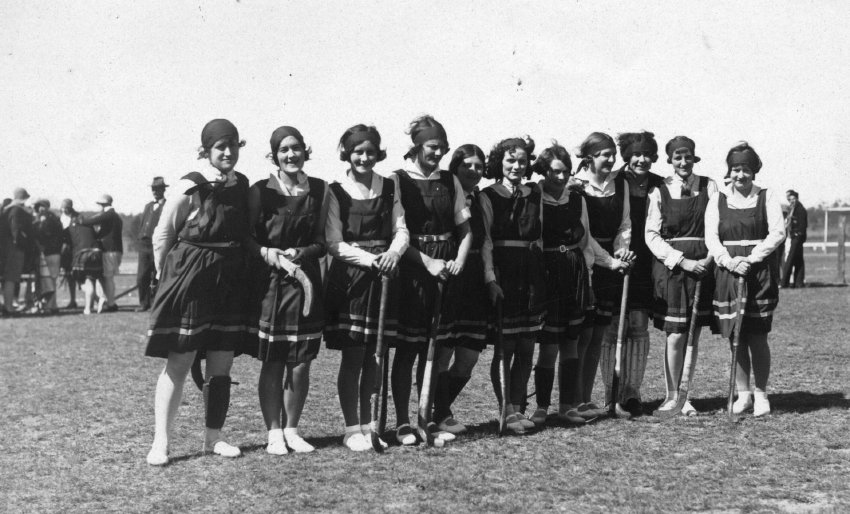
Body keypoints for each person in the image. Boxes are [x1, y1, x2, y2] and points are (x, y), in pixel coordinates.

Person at [145, 119, 266, 465]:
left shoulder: (241, 185)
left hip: (230, 279)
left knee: (221, 363)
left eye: (232, 145)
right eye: (219, 147)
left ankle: (214, 437)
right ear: (207, 151)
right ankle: (161, 442)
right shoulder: (190, 185)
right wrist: (165, 277)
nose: (227, 152)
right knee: (180, 360)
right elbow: (163, 236)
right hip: (191, 278)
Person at [242, 126, 328, 456]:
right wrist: (270, 254)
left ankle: (292, 429)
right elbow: (248, 238)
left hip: (306, 284)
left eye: (296, 148)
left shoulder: (320, 189)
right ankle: (273, 433)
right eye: (283, 150)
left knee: (301, 362)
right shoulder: (259, 190)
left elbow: (322, 241)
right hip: (270, 284)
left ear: (306, 151)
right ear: (274, 155)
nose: (290, 155)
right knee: (274, 361)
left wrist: (302, 254)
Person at [324, 124, 408, 451]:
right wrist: (370, 260)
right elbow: (334, 242)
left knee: (377, 355)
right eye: (358, 151)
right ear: (348, 153)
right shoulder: (336, 190)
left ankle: (372, 425)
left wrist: (392, 254)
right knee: (354, 355)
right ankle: (351, 428)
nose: (364, 157)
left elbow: (401, 229)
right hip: (351, 280)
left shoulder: (389, 186)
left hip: (385, 276)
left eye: (370, 151)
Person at [392, 115, 472, 445]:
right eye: (431, 146)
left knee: (437, 349)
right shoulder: (398, 180)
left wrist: (458, 262)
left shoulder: (449, 180)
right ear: (416, 146)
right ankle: (402, 422)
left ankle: (428, 417)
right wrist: (426, 261)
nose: (437, 152)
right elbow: (397, 233)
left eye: (442, 147)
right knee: (409, 349)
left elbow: (465, 230)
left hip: (446, 271)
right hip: (414, 268)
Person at [529, 143, 621, 425]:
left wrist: (607, 263)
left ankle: (567, 405)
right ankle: (542, 406)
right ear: (544, 172)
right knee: (549, 346)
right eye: (555, 172)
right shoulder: (535, 197)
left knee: (571, 341)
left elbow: (585, 239)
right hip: (546, 272)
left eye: (566, 171)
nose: (560, 177)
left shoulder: (577, 199)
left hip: (575, 270)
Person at [705, 142, 784, 417]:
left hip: (758, 270)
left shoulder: (766, 196)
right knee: (735, 334)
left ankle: (761, 395)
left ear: (754, 172)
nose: (740, 175)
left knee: (758, 335)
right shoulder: (718, 199)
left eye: (746, 170)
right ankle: (743, 394)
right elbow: (711, 238)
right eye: (736, 169)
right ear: (729, 172)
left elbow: (778, 233)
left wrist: (751, 258)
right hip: (728, 270)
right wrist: (729, 261)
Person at [645, 136, 719, 416]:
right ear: (670, 160)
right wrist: (682, 261)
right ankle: (672, 395)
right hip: (675, 268)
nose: (683, 162)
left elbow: (717, 226)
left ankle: (686, 394)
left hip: (703, 264)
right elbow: (651, 235)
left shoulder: (709, 185)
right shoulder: (660, 190)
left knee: (692, 335)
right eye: (678, 157)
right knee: (675, 335)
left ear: (694, 157)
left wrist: (709, 259)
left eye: (688, 156)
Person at [480, 136, 546, 434]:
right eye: (510, 160)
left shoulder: (535, 194)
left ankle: (519, 409)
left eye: (521, 161)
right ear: (499, 163)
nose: (517, 166)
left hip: (531, 273)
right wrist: (491, 279)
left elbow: (540, 235)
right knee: (505, 348)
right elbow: (486, 242)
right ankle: (505, 409)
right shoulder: (488, 195)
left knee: (527, 346)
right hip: (504, 272)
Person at [572, 133, 633, 418]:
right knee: (582, 335)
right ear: (589, 157)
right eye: (604, 154)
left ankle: (586, 398)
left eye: (612, 154)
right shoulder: (576, 187)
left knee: (598, 335)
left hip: (611, 264)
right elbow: (584, 234)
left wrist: (621, 252)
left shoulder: (620, 184)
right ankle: (574, 399)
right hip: (586, 262)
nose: (610, 159)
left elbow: (625, 223)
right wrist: (609, 262)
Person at [432, 144, 488, 435]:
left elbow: (487, 241)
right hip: (451, 275)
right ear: (455, 166)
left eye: (479, 166)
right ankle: (441, 414)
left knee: (468, 358)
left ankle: (436, 409)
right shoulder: (444, 195)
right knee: (442, 352)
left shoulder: (481, 199)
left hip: (476, 279)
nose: (473, 171)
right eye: (467, 165)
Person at [80, 194, 123, 312]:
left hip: (110, 251)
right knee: (108, 277)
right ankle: (109, 302)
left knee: (108, 277)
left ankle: (111, 303)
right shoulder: (115, 216)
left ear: (103, 205)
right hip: (115, 250)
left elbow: (92, 221)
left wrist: (82, 220)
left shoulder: (108, 215)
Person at [1, 188, 35, 316]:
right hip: (14, 249)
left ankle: (7, 305)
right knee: (11, 278)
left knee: (8, 278)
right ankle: (9, 307)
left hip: (6, 248)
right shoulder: (16, 211)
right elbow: (16, 232)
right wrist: (24, 244)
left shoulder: (7, 210)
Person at [136, 177, 168, 311]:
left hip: (158, 244)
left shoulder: (167, 205)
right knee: (142, 276)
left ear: (163, 189)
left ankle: (155, 303)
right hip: (144, 244)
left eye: (157, 189)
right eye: (153, 189)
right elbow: (143, 224)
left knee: (157, 274)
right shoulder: (148, 206)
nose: (154, 191)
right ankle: (143, 303)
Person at [66, 212, 104, 315]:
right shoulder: (90, 226)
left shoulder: (73, 227)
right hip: (96, 254)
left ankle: (88, 308)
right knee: (88, 280)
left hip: (84, 255)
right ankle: (97, 299)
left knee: (87, 282)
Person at [33, 199, 64, 313]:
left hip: (46, 252)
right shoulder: (56, 217)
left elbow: (40, 232)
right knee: (52, 279)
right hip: (56, 252)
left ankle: (48, 305)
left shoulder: (43, 218)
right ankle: (53, 304)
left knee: (46, 280)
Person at [781, 189, 807, 288]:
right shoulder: (793, 208)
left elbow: (803, 225)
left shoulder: (800, 209)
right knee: (798, 260)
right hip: (794, 237)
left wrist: (797, 234)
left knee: (790, 259)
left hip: (796, 237)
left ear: (796, 198)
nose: (791, 200)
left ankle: (784, 283)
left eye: (792, 198)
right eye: (789, 199)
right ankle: (799, 283)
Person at [59, 199, 79, 309]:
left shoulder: (76, 217)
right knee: (66, 276)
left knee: (73, 276)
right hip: (62, 250)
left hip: (73, 250)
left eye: (66, 207)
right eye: (63, 207)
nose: (64, 210)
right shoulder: (59, 217)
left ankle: (73, 300)